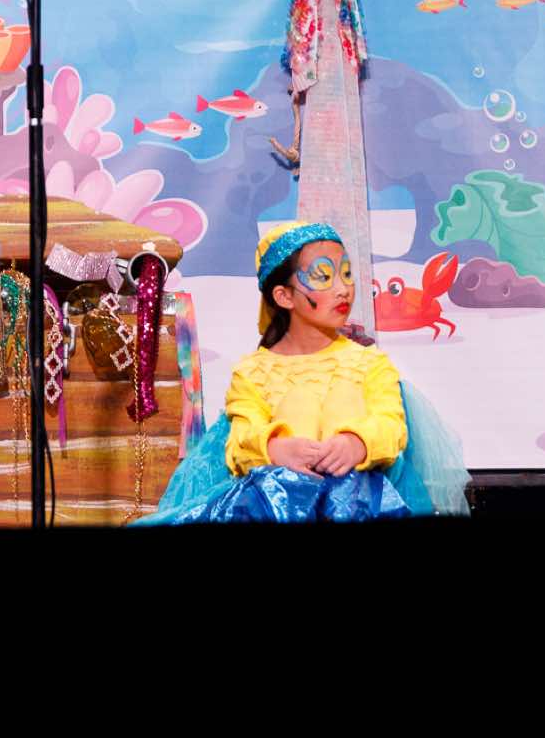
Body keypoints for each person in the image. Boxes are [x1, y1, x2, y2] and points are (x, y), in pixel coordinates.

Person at [136, 222, 469, 524]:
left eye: (346, 274)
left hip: (359, 503)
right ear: (284, 296)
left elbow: (390, 423)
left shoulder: (369, 363)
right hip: (281, 505)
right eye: (323, 277)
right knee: (291, 426)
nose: (343, 289)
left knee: (346, 419)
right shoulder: (253, 371)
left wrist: (357, 443)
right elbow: (242, 435)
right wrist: (275, 449)